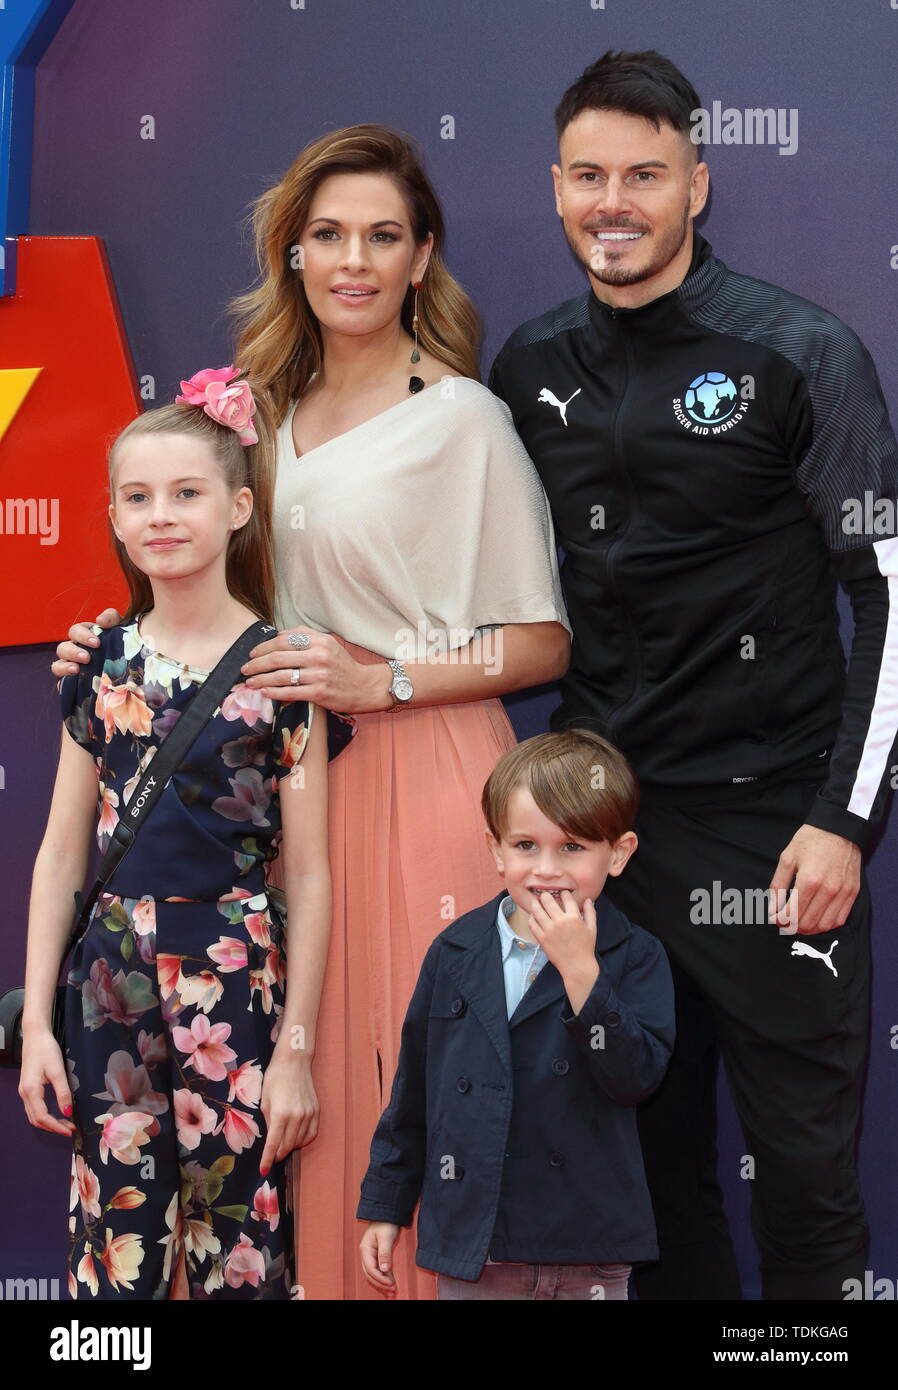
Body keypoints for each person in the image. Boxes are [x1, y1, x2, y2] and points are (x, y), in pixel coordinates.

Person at [49, 124, 572, 1300]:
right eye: (327, 235)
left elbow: (542, 640)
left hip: (428, 772)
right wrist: (111, 632)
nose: (353, 260)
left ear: (421, 257)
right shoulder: (255, 418)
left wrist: (379, 677)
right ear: (290, 253)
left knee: (422, 1080)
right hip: (282, 792)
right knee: (304, 1093)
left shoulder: (463, 421)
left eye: (382, 236)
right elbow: (205, 583)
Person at [486, 50, 898, 1301]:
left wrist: (843, 821)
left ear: (697, 186)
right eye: (591, 175)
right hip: (608, 846)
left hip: (779, 838)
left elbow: (886, 595)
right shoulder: (526, 365)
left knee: (809, 1192)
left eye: (646, 175)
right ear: (556, 188)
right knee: (652, 1190)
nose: (616, 201)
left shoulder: (800, 352)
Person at [22, 368, 355, 1299]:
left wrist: (295, 1051)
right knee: (115, 1247)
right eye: (137, 497)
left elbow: (315, 875)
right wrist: (41, 1026)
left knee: (240, 1252)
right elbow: (60, 853)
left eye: (186, 493)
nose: (161, 515)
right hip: (108, 974)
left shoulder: (287, 671)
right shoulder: (97, 666)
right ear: (115, 520)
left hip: (238, 970)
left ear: (239, 507)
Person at [357, 728, 675, 1300]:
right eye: (526, 845)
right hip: (476, 1243)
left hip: (588, 1244)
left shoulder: (636, 955)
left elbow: (636, 1077)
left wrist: (582, 973)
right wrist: (387, 1206)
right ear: (495, 849)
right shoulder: (455, 951)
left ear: (620, 853)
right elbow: (414, 1093)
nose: (547, 869)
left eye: (573, 847)